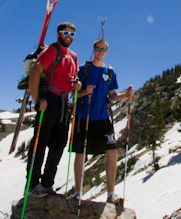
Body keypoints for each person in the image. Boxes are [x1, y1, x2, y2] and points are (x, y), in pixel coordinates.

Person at [72, 39, 134, 205]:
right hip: (82, 117)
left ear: (107, 51)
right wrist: (84, 91)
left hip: (102, 118)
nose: (100, 51)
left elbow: (113, 95)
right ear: (93, 50)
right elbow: (73, 94)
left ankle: (111, 194)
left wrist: (126, 95)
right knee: (80, 153)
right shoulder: (82, 70)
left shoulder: (110, 72)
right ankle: (77, 193)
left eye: (103, 49)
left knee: (112, 151)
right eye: (97, 48)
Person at [26, 22, 82, 197]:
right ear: (58, 34)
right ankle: (32, 184)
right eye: (66, 33)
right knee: (40, 142)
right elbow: (35, 72)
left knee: (59, 145)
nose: (69, 36)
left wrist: (77, 86)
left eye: (72, 34)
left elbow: (74, 79)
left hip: (64, 103)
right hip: (50, 100)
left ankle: (46, 185)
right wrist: (37, 101)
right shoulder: (51, 50)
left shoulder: (73, 56)